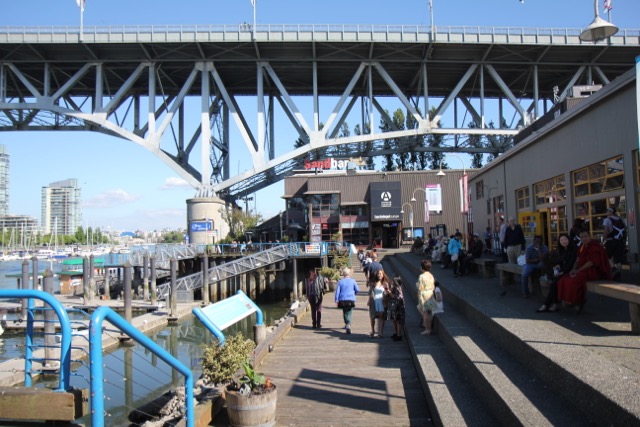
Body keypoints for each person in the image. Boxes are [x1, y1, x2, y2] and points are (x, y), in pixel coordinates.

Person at [557, 230, 611, 313]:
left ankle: (577, 301)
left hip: (593, 271)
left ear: (590, 236)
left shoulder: (595, 246)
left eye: (586, 236)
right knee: (564, 279)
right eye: (581, 237)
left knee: (574, 281)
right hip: (582, 269)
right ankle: (567, 300)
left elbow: (592, 262)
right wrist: (573, 269)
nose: (584, 239)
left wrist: (578, 270)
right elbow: (578, 259)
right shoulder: (582, 246)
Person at [537, 233, 577, 313]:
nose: (564, 241)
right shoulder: (561, 250)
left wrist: (562, 272)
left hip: (570, 271)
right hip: (562, 271)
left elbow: (570, 264)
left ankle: (548, 305)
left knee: (554, 284)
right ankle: (551, 304)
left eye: (565, 239)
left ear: (568, 239)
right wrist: (557, 270)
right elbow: (558, 263)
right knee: (554, 282)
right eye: (561, 240)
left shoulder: (573, 250)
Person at [334, 267, 360, 334]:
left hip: (343, 299)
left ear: (343, 274)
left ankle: (347, 323)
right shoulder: (353, 281)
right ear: (349, 274)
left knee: (345, 312)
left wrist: (336, 300)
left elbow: (337, 292)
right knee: (349, 311)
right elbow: (357, 289)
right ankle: (348, 324)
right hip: (351, 299)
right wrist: (354, 293)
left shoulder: (340, 282)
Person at [603, 207, 626, 281]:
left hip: (611, 240)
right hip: (620, 241)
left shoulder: (607, 220)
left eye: (608, 210)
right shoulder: (620, 219)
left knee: (606, 255)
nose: (606, 211)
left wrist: (604, 239)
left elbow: (605, 230)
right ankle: (618, 273)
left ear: (611, 212)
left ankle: (613, 269)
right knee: (618, 258)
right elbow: (625, 228)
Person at [417, 259, 438, 335]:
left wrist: (419, 294)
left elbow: (420, 288)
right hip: (431, 294)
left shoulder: (422, 276)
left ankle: (427, 329)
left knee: (425, 312)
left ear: (422, 267)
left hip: (424, 295)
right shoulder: (431, 275)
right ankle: (428, 326)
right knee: (428, 312)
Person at [368, 268, 390, 338]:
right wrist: (369, 300)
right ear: (376, 275)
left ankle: (380, 332)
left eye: (381, 274)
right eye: (378, 274)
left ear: (383, 275)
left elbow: (387, 293)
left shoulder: (385, 283)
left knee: (381, 316)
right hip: (374, 300)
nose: (379, 275)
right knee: (373, 317)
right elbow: (370, 292)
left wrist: (387, 292)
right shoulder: (373, 283)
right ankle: (373, 330)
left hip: (382, 301)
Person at [387, 276, 406, 341]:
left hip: (398, 306)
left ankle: (399, 335)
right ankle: (397, 333)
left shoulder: (397, 288)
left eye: (393, 280)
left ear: (396, 282)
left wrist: (389, 292)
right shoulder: (396, 287)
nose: (391, 281)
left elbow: (397, 297)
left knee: (398, 320)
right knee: (395, 320)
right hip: (396, 306)